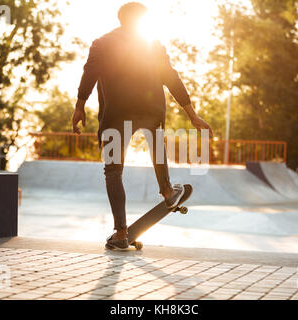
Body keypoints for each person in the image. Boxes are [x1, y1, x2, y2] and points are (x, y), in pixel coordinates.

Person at [72, 2, 212, 250]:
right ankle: (168, 191)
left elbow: (89, 74)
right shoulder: (152, 45)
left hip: (116, 114)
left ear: (121, 19)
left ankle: (121, 232)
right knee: (157, 146)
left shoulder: (102, 44)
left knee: (113, 171)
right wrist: (192, 114)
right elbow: (171, 76)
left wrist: (79, 106)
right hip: (151, 110)